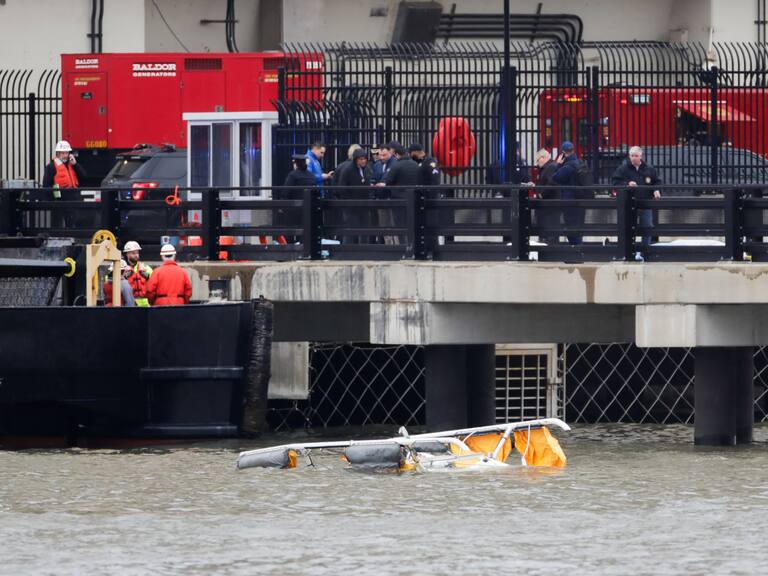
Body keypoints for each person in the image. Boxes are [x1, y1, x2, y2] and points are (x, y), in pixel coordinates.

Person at [611, 146, 662, 260]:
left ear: (641, 156)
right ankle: (629, 253)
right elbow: (615, 182)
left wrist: (656, 190)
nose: (633, 158)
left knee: (647, 227)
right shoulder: (623, 168)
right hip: (629, 203)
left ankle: (645, 251)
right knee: (628, 227)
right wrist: (627, 184)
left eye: (636, 156)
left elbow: (657, 181)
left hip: (645, 203)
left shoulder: (649, 168)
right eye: (632, 156)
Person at [377, 144, 420, 245]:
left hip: (399, 200)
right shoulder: (415, 164)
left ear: (396, 154)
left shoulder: (396, 166)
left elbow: (389, 181)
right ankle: (412, 246)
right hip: (413, 199)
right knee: (412, 224)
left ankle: (403, 247)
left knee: (400, 225)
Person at [42, 140, 87, 227]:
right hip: (58, 200)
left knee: (71, 223)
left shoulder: (72, 165)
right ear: (57, 154)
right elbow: (46, 185)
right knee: (57, 224)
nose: (65, 156)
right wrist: (51, 200)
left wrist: (75, 164)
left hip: (72, 199)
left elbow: (84, 176)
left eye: (66, 153)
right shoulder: (51, 167)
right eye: (62, 153)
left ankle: (71, 238)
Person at [275, 154, 317, 242]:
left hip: (293, 210)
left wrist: (283, 206)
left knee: (289, 232)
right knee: (305, 233)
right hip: (308, 209)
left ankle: (289, 250)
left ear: (296, 164)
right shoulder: (311, 176)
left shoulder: (293, 175)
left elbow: (286, 191)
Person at [552, 141, 584, 246]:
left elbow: (555, 178)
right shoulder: (580, 162)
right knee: (578, 227)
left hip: (570, 200)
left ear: (563, 153)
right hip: (580, 199)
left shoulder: (567, 167)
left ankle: (576, 251)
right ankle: (579, 250)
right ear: (573, 150)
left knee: (571, 227)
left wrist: (558, 164)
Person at [338, 147, 372, 244]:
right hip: (351, 206)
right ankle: (348, 251)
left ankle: (364, 251)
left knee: (365, 230)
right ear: (355, 159)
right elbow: (342, 187)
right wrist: (349, 201)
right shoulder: (348, 170)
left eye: (365, 158)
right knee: (350, 230)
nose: (363, 161)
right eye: (361, 159)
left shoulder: (366, 169)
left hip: (364, 205)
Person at [533, 149, 561, 244]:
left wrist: (541, 194)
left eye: (537, 160)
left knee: (550, 228)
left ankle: (550, 246)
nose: (537, 163)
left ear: (543, 158)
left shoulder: (551, 167)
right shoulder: (548, 167)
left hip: (550, 204)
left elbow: (552, 183)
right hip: (548, 204)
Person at [122, 240, 153, 307]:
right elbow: (110, 281)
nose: (136, 255)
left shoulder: (146, 268)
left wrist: (147, 276)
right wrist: (124, 277)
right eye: (133, 253)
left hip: (146, 306)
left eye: (137, 253)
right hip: (130, 305)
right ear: (127, 254)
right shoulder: (122, 269)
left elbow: (154, 283)